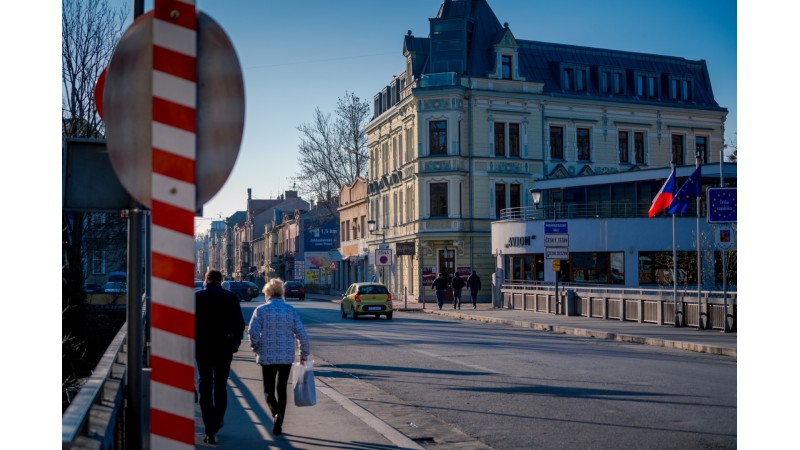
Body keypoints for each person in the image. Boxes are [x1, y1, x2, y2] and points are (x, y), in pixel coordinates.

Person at [248, 278, 311, 436]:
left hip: (267, 356)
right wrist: (303, 354)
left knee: (268, 390)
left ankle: (275, 414)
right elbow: (302, 334)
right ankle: (280, 420)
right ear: (281, 293)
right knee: (281, 388)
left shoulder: (261, 310)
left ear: (267, 293)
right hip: (285, 356)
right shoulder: (290, 310)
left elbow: (252, 332)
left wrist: (256, 347)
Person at [195, 269, 245, 445]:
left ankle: (209, 428)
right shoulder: (231, 297)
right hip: (224, 348)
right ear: (221, 280)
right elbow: (240, 324)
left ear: (206, 279)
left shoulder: (197, 297)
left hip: (203, 348)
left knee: (205, 385)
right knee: (221, 385)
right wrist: (235, 343)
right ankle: (217, 420)